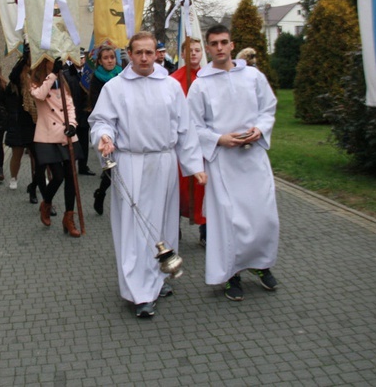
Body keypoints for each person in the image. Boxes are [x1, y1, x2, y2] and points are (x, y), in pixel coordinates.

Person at [88, 31, 207, 318]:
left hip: (164, 162)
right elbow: (102, 121)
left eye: (149, 52)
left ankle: (159, 276)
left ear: (157, 54)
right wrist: (104, 137)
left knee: (164, 224)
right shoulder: (115, 88)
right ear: (128, 54)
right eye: (137, 52)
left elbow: (185, 128)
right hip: (131, 163)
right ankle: (139, 293)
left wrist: (195, 166)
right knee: (135, 229)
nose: (143, 57)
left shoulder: (170, 87)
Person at [187, 24, 280, 302]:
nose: (219, 48)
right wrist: (218, 139)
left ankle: (262, 265)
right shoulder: (201, 83)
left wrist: (260, 129)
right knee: (229, 221)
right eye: (213, 43)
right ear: (208, 47)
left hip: (253, 158)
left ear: (231, 44)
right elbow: (192, 124)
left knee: (263, 216)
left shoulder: (253, 76)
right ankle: (231, 275)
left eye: (223, 42)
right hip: (223, 162)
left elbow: (269, 107)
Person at [30, 56, 83, 238]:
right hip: (46, 136)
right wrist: (52, 74)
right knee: (58, 177)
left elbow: (70, 106)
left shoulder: (63, 82)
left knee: (71, 177)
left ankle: (69, 218)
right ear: (45, 62)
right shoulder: (36, 82)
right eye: (53, 61)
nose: (57, 63)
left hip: (66, 135)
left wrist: (73, 125)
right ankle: (46, 203)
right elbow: (39, 95)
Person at [170, 39, 207, 247]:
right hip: (181, 146)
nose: (193, 54)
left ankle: (206, 230)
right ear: (182, 54)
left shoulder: (209, 78)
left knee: (205, 189)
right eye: (189, 50)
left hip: (205, 145)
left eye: (197, 50)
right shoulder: (174, 81)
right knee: (178, 189)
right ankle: (174, 229)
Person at [5, 45, 45, 203]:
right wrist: (24, 57)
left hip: (40, 120)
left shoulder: (40, 73)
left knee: (39, 158)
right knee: (19, 154)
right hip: (24, 122)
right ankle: (16, 178)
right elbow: (12, 75)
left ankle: (35, 187)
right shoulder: (19, 76)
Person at [88, 45, 122, 215]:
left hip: (123, 126)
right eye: (106, 58)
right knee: (111, 167)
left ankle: (102, 192)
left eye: (112, 57)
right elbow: (97, 107)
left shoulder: (122, 75)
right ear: (100, 61)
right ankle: (101, 193)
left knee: (119, 167)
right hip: (108, 126)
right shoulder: (97, 79)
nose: (110, 60)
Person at [63, 53, 94, 176]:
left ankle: (83, 166)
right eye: (78, 57)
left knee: (84, 141)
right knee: (70, 141)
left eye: (82, 57)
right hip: (72, 113)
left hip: (85, 112)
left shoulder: (88, 74)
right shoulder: (66, 74)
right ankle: (70, 166)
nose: (80, 60)